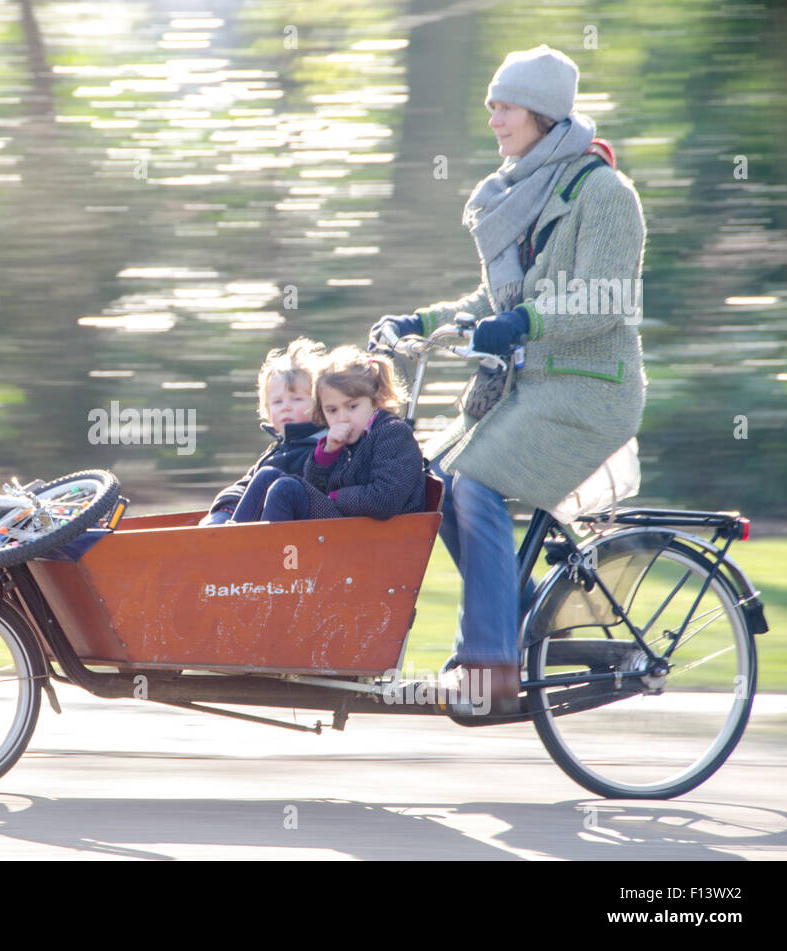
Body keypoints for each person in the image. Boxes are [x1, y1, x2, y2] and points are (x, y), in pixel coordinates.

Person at [370, 45, 646, 715]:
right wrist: (424, 318)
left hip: (588, 391)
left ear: (544, 114)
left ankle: (490, 666)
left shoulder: (603, 192)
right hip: (530, 390)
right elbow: (495, 299)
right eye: (492, 104)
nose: (493, 118)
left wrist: (520, 323)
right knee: (432, 477)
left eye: (506, 105)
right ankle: (522, 626)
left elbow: (602, 299)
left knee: (477, 481)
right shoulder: (526, 188)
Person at [229, 345, 425, 523]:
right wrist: (328, 453)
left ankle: (253, 553)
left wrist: (337, 497)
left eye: (352, 406)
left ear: (375, 399)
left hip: (370, 531)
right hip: (346, 520)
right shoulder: (349, 439)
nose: (343, 417)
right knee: (268, 475)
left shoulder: (392, 434)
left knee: (285, 489)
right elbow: (315, 487)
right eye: (332, 410)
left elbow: (385, 498)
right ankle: (228, 543)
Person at [199, 338, 327, 526]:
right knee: (215, 520)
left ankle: (233, 541)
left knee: (268, 475)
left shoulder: (320, 448)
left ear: (319, 404)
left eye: (296, 399)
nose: (285, 408)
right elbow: (247, 485)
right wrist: (225, 508)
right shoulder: (277, 449)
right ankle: (225, 535)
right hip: (261, 523)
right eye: (277, 402)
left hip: (299, 529)